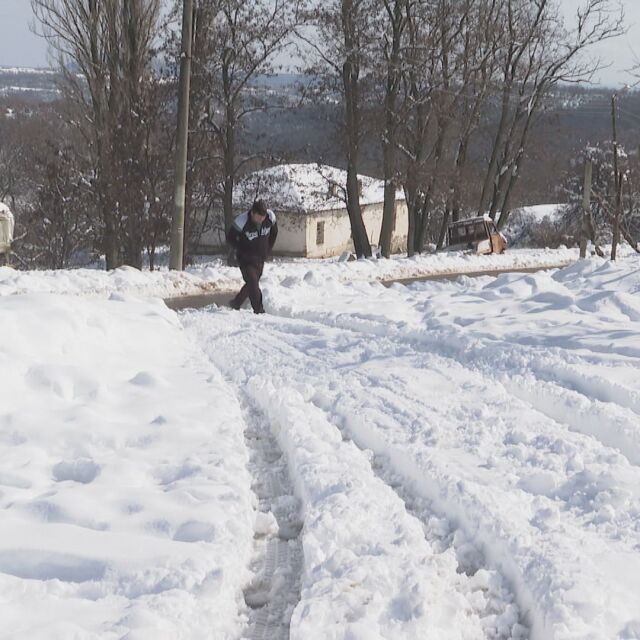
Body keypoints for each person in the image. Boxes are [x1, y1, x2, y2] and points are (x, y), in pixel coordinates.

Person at [226, 199, 278, 314]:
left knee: (251, 283)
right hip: (246, 259)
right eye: (259, 217)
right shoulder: (242, 221)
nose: (261, 220)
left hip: (260, 257)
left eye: (263, 217)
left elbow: (274, 232)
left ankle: (236, 303)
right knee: (253, 283)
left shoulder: (270, 217)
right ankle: (259, 310)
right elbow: (230, 238)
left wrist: (268, 249)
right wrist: (241, 249)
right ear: (253, 213)